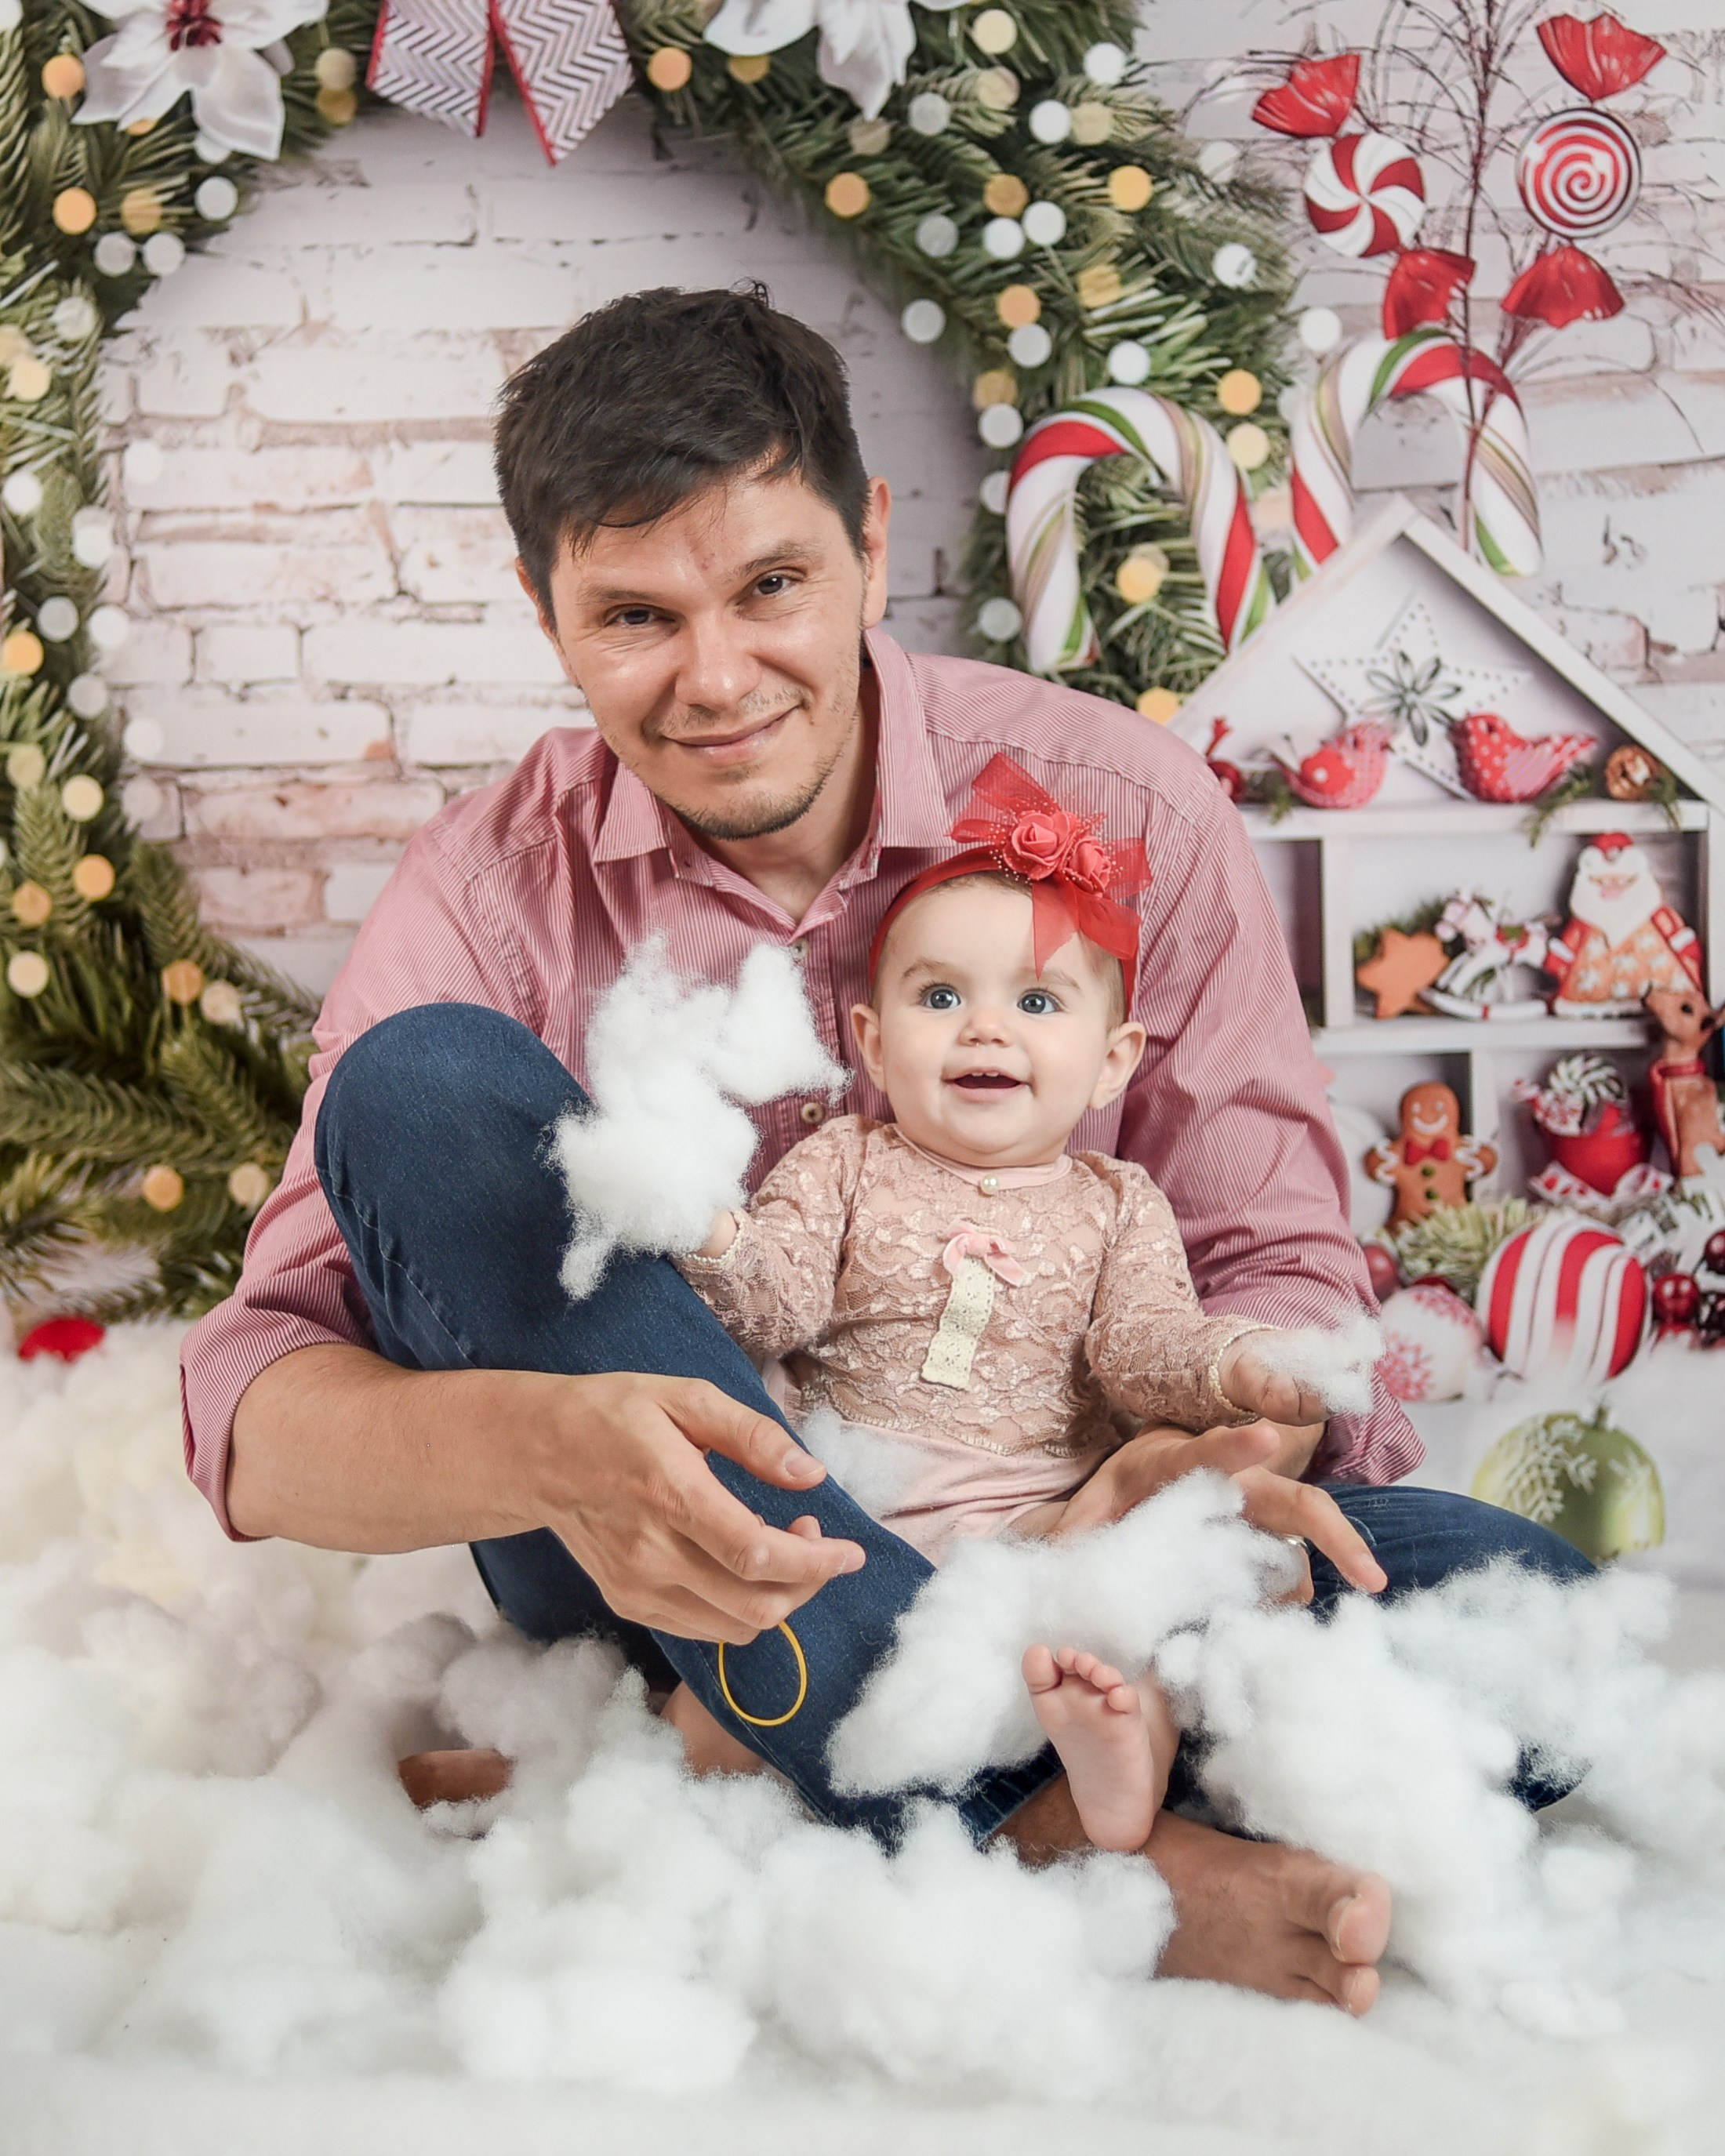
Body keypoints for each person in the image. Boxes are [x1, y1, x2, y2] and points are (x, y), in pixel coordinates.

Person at [183, 282, 1592, 2020]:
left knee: (1525, 1620)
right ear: (546, 614)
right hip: (670, 1559)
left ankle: (771, 1766)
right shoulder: (489, 888)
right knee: (416, 1086)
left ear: (866, 539)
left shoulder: (1127, 809)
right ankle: (1074, 1846)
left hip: (1068, 1556)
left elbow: (1272, 1278)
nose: (715, 680)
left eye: (769, 586)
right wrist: (547, 1438)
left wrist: (1180, 1475)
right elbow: (252, 1421)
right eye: (633, 615)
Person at [664, 780, 1363, 1854]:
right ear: (872, 1039)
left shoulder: (1117, 1200)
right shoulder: (844, 1162)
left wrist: (1238, 1366)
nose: (986, 1025)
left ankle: (1123, 1752)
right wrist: (705, 1227)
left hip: (1046, 1514)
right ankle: (697, 1776)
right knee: (719, 1707)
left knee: (1185, 1586)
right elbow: (773, 1299)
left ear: (1112, 1059)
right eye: (940, 997)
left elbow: (1143, 1350)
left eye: (1038, 1003)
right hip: (857, 1520)